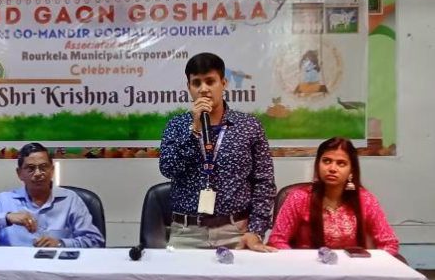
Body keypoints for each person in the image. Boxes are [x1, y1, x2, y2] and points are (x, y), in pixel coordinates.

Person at [159, 52, 276, 251]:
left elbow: (264, 181)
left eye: (210, 81)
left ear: (224, 83)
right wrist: (195, 131)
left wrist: (256, 230)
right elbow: (168, 169)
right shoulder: (176, 125)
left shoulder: (249, 126)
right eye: (196, 83)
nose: (203, 89)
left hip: (236, 232)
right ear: (189, 87)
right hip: (186, 233)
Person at [268, 137, 399, 255]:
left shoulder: (365, 199)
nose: (332, 168)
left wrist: (370, 265)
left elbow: (389, 243)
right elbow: (277, 240)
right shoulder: (299, 198)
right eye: (326, 161)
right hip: (308, 269)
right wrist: (300, 262)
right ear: (318, 164)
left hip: (352, 270)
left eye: (341, 163)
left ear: (351, 170)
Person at [0, 142, 105, 248]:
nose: (38, 173)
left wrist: (61, 244)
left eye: (43, 167)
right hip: (14, 273)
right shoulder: (4, 201)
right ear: (19, 174)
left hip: (57, 272)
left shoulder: (70, 200)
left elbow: (96, 241)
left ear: (52, 170)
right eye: (30, 168)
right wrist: (6, 218)